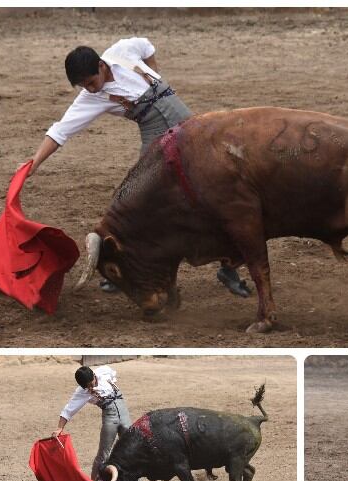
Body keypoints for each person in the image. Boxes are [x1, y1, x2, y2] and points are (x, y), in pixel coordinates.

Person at [27, 37, 251, 297]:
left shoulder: (121, 52)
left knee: (216, 192)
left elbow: (146, 45)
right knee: (143, 200)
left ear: (101, 66)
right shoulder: (90, 99)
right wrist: (34, 162)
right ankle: (120, 266)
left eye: (90, 82)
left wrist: (155, 73)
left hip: (189, 125)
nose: (88, 90)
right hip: (156, 135)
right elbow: (60, 131)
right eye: (83, 86)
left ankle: (229, 266)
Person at [52, 365, 154, 481]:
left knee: (132, 451)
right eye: (86, 387)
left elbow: (112, 374)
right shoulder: (82, 392)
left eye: (90, 384)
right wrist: (60, 427)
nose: (89, 388)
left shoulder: (104, 372)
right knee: (103, 454)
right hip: (110, 418)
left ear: (94, 376)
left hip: (124, 415)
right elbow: (68, 410)